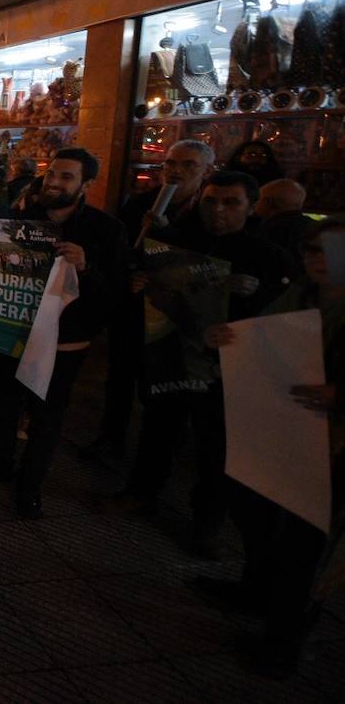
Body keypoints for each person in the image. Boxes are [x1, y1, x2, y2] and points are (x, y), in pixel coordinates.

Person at [187, 216, 344, 679]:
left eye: (331, 250)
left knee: (305, 548)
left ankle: (284, 645)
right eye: (313, 249)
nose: (320, 259)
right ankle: (255, 591)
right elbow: (265, 337)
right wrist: (227, 338)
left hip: (333, 450)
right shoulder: (299, 293)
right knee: (257, 516)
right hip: (281, 430)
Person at [114, 171, 296, 557]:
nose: (219, 211)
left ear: (250, 206)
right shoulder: (177, 240)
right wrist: (140, 282)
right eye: (212, 201)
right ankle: (142, 491)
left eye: (231, 203)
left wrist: (257, 291)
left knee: (215, 446)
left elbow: (287, 311)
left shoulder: (267, 254)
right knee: (159, 427)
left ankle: (206, 520)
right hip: (173, 353)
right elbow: (148, 280)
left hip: (227, 366)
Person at [0, 148, 128, 519]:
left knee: (46, 417)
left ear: (86, 183)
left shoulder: (105, 230)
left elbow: (118, 291)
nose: (54, 182)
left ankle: (30, 487)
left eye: (66, 177)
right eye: (52, 174)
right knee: (2, 406)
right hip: (11, 332)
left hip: (63, 341)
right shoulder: (20, 219)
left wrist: (85, 267)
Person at [81, 139, 214, 461]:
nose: (176, 172)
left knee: (163, 384)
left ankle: (158, 451)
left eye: (188, 166)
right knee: (121, 375)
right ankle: (111, 436)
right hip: (132, 306)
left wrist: (167, 236)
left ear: (206, 171)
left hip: (175, 315)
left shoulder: (210, 213)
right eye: (170, 164)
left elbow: (204, 263)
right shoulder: (140, 204)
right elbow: (119, 252)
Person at [256, 177, 311, 258]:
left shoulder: (264, 232)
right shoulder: (317, 229)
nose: (254, 205)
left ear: (268, 202)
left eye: (258, 200)